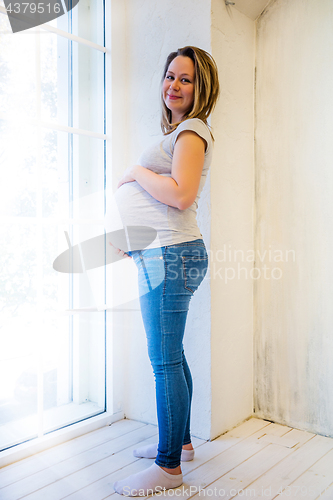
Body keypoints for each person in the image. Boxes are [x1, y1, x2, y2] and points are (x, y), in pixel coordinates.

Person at [111, 46, 220, 496]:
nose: (173, 85)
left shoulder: (192, 131)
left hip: (171, 257)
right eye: (170, 76)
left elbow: (179, 195)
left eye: (186, 79)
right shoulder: (180, 132)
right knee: (172, 357)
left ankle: (168, 466)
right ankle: (183, 442)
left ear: (202, 88)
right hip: (165, 253)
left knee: (163, 363)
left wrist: (135, 172)